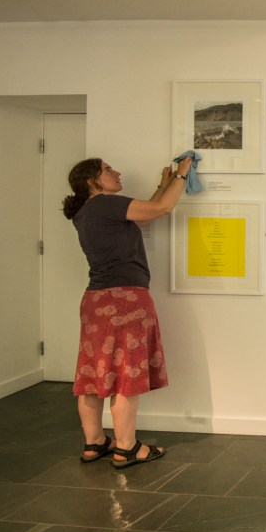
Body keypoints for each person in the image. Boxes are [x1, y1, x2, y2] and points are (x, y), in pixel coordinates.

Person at [61, 156, 192, 468]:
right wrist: (182, 176)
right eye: (108, 170)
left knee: (93, 376)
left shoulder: (88, 212)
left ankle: (95, 442)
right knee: (124, 377)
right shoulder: (105, 204)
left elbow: (144, 217)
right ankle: (127, 447)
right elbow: (161, 210)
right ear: (92, 181)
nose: (116, 172)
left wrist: (164, 184)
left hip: (96, 301)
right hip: (125, 301)